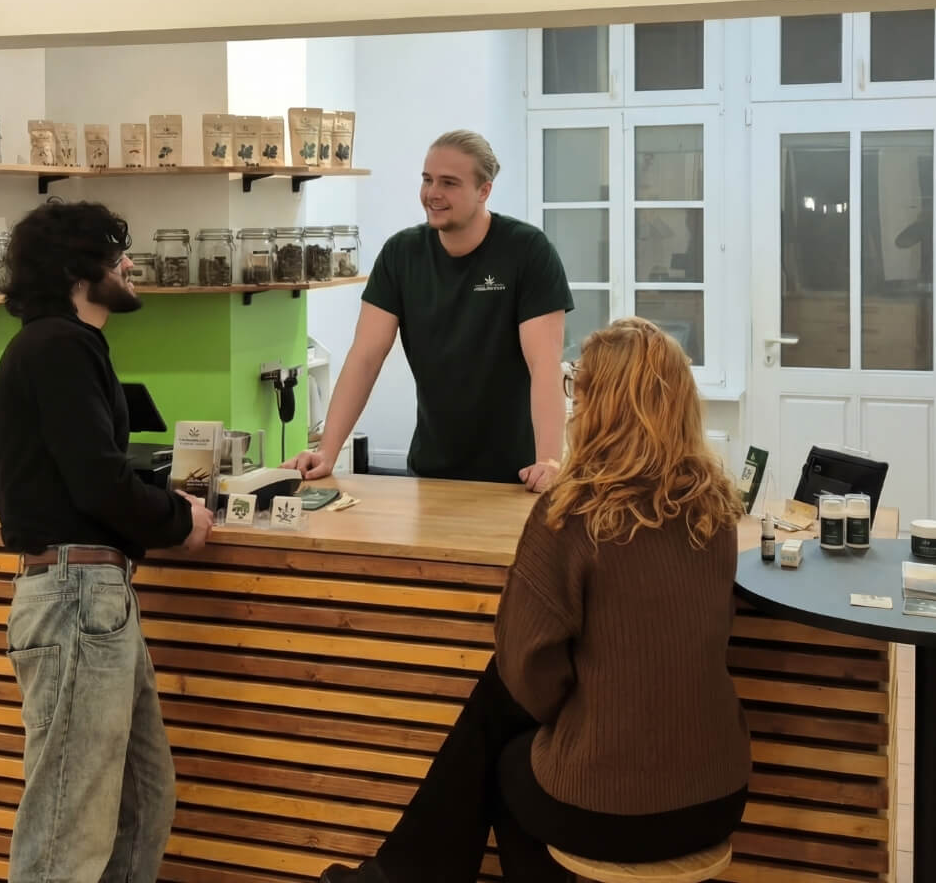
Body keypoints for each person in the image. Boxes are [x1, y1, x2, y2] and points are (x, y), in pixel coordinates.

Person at [318, 316, 751, 883]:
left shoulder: (573, 515)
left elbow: (525, 669)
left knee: (499, 745)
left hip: (613, 809)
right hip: (720, 795)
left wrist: (577, 720)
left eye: (579, 388)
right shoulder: (717, 511)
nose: (573, 404)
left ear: (602, 406)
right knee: (498, 716)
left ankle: (396, 875)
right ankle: (394, 876)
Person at [0, 199, 214, 883]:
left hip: (92, 599)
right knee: (68, 829)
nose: (131, 264)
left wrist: (160, 508)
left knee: (141, 800)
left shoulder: (61, 345)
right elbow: (99, 483)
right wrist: (179, 521)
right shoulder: (59, 347)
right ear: (77, 270)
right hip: (75, 599)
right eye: (118, 253)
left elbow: (91, 475)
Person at [288, 130, 572, 491]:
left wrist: (549, 461)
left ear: (484, 191)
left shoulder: (528, 251)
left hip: (520, 476)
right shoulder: (401, 254)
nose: (432, 193)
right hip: (432, 470)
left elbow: (544, 365)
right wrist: (327, 451)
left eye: (449, 183)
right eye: (427, 179)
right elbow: (365, 358)